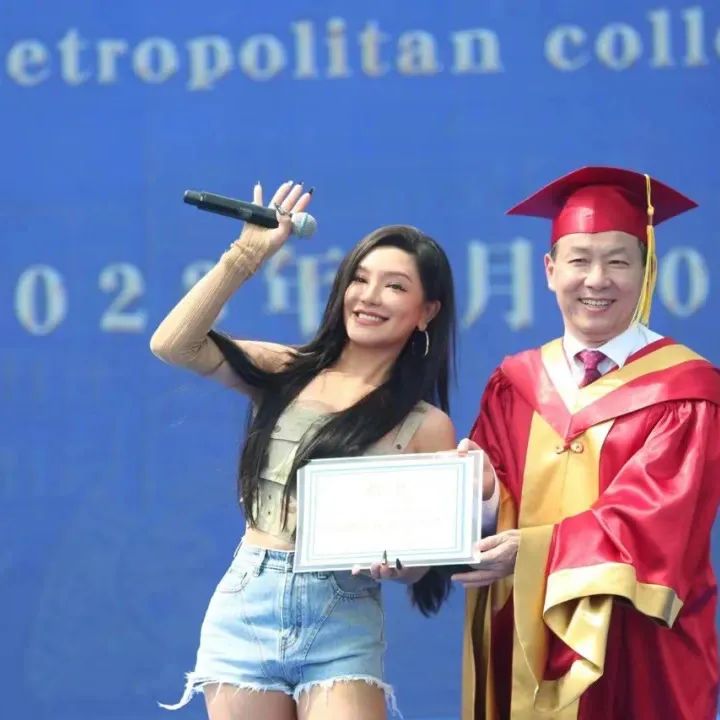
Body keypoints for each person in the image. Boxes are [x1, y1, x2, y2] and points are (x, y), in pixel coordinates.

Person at [150, 179, 461, 720]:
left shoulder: (428, 426)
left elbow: (421, 565)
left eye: (394, 286)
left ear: (426, 311)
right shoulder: (286, 370)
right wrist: (245, 255)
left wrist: (400, 565)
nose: (369, 296)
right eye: (359, 279)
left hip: (344, 612)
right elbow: (172, 344)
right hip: (248, 602)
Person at [452, 166, 720, 719]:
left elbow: (655, 523)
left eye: (618, 261)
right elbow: (493, 508)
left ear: (646, 271)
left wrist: (536, 549)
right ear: (550, 271)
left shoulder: (687, 391)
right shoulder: (516, 384)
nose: (596, 280)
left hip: (639, 647)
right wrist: (483, 495)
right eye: (579, 260)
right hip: (526, 637)